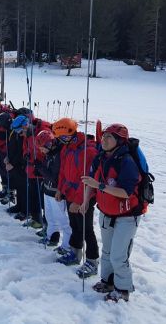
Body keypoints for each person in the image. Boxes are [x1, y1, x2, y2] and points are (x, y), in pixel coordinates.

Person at [81, 124, 141, 302]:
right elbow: (90, 182)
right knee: (107, 251)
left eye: (109, 137)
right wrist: (85, 201)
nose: (104, 139)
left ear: (119, 141)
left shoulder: (127, 161)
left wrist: (99, 186)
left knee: (118, 255)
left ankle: (123, 290)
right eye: (104, 136)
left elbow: (126, 192)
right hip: (106, 212)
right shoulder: (100, 157)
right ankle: (107, 281)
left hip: (127, 215)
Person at [53, 117, 99, 279]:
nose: (63, 141)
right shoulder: (67, 148)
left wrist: (79, 201)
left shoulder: (88, 151)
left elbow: (88, 179)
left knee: (87, 230)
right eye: (60, 138)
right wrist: (60, 190)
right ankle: (75, 253)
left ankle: (92, 261)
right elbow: (63, 172)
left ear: (73, 133)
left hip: (85, 196)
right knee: (75, 226)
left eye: (65, 137)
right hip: (70, 194)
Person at [35, 130, 71, 249]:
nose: (41, 150)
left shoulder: (59, 155)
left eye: (42, 147)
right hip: (47, 189)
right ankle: (52, 237)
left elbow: (54, 176)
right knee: (50, 217)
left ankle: (66, 245)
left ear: (49, 145)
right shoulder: (50, 154)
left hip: (56, 192)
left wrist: (40, 167)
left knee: (62, 220)